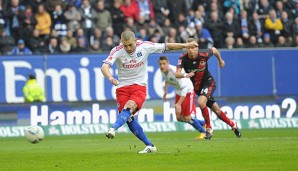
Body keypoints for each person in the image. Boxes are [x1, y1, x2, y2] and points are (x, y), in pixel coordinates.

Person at [101, 30, 198, 154]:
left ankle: (113, 128)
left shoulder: (144, 46)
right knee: (129, 119)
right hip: (122, 88)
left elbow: (167, 46)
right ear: (121, 43)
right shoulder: (117, 50)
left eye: (130, 44)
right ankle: (149, 145)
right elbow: (104, 66)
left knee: (129, 107)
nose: (128, 48)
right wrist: (110, 78)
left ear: (135, 41)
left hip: (139, 87)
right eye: (125, 45)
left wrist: (185, 46)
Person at [176, 38, 241, 139]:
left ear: (197, 48)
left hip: (208, 82)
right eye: (188, 47)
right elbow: (177, 73)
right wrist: (185, 75)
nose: (190, 50)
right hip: (198, 88)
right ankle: (233, 125)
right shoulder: (183, 58)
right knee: (217, 110)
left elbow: (214, 49)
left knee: (201, 102)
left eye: (193, 47)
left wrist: (220, 60)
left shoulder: (204, 55)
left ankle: (209, 128)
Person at [158, 56, 206, 140]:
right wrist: (165, 92)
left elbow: (184, 87)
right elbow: (167, 80)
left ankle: (203, 132)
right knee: (179, 118)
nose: (162, 66)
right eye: (160, 64)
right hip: (179, 92)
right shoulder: (163, 71)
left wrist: (179, 104)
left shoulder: (174, 72)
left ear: (168, 63)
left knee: (187, 117)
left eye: (164, 64)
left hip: (187, 91)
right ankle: (204, 123)